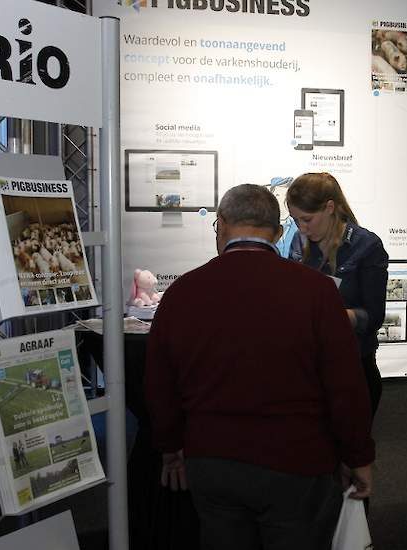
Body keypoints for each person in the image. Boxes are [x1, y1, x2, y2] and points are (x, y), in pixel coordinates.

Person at [145, 184, 375, 550]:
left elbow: (159, 383)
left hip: (212, 461)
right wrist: (358, 456)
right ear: (279, 232)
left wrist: (171, 448)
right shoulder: (316, 292)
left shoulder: (183, 292)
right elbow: (345, 385)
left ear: (221, 225)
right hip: (298, 463)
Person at [286, 172, 389, 416]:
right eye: (295, 220)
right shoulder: (299, 244)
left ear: (330, 207)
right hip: (308, 367)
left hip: (352, 367)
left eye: (307, 219)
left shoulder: (367, 246)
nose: (301, 228)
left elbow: (373, 316)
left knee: (350, 448)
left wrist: (332, 316)